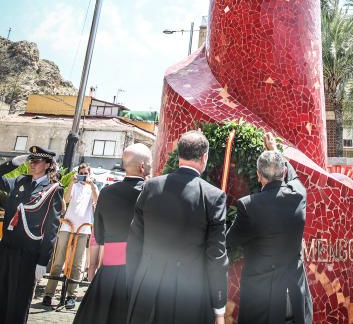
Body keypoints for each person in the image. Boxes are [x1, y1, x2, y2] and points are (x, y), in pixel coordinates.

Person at [126, 130, 228, 324]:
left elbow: (134, 242)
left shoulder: (150, 187)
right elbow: (216, 255)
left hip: (146, 291)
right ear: (204, 157)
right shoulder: (213, 197)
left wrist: (133, 285)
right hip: (189, 298)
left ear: (179, 153)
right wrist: (219, 308)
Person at [227, 132, 312, 324]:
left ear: (258, 176)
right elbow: (294, 176)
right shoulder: (299, 194)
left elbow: (229, 241)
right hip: (294, 298)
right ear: (283, 173)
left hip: (260, 303)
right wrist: (274, 150)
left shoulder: (248, 206)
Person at [74, 143, 152, 324]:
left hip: (108, 273)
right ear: (142, 166)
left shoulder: (106, 192)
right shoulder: (151, 193)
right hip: (140, 274)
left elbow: (99, 235)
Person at [0, 146, 63, 324]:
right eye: (31, 161)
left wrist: (43, 261)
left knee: (18, 300)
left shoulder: (53, 189)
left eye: (37, 161)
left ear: (48, 165)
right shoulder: (20, 181)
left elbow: (52, 227)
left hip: (27, 254)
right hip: (6, 248)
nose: (32, 165)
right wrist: (12, 163)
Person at [43, 162, 98, 309]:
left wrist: (92, 184)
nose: (83, 176)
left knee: (77, 263)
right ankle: (49, 294)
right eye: (81, 173)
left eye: (86, 173)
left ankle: (71, 296)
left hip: (83, 228)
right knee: (58, 260)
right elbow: (66, 200)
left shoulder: (91, 187)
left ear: (89, 174)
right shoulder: (74, 186)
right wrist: (72, 184)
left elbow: (96, 200)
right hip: (67, 225)